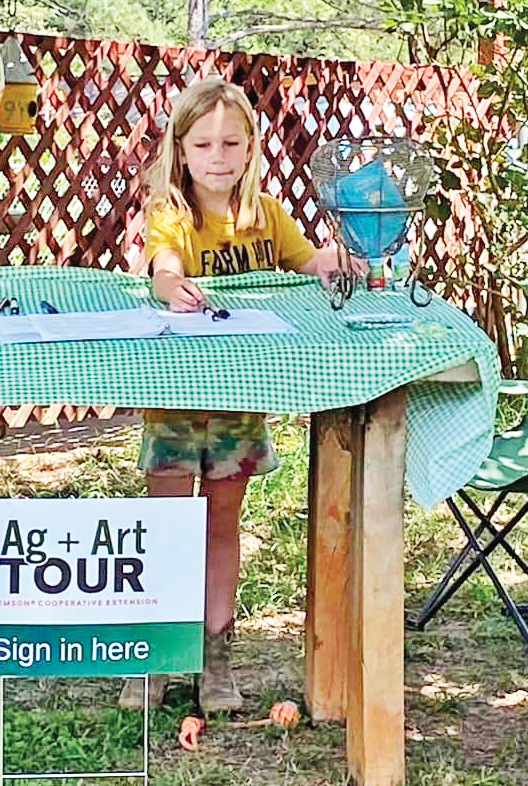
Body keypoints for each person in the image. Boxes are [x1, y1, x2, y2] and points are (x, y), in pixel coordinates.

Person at [118, 76, 366, 714]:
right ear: (181, 149)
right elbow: (163, 265)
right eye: (204, 145)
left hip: (239, 404)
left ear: (251, 147)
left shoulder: (267, 216)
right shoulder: (171, 213)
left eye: (231, 143)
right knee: (167, 526)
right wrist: (169, 284)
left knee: (222, 525)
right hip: (175, 403)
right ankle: (155, 654)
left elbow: (309, 262)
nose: (218, 157)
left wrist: (340, 260)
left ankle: (215, 658)